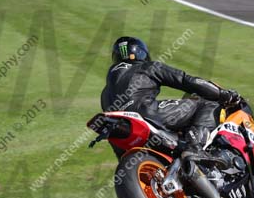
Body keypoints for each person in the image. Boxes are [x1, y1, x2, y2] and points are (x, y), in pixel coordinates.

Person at [101, 37, 240, 158]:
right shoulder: (148, 67)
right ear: (141, 53)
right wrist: (223, 94)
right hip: (147, 113)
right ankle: (195, 148)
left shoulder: (105, 93)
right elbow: (186, 81)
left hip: (123, 136)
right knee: (207, 104)